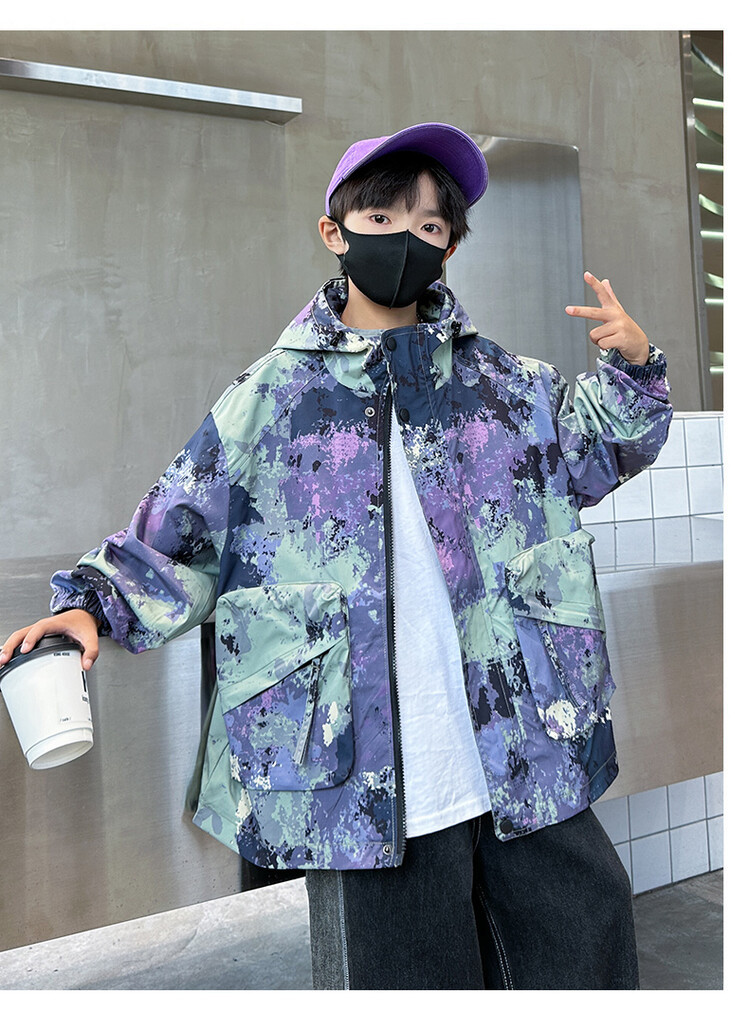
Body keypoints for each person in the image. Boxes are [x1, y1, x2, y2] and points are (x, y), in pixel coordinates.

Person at [1, 122, 672, 990]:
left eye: (429, 225)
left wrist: (635, 368)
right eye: (382, 217)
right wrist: (89, 604)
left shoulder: (506, 385)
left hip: (523, 746)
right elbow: (180, 530)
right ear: (335, 231)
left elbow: (595, 453)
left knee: (587, 950)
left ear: (450, 248)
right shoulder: (270, 399)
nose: (405, 238)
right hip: (363, 780)